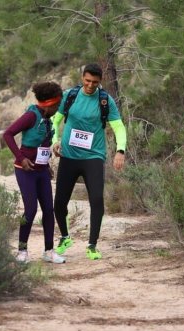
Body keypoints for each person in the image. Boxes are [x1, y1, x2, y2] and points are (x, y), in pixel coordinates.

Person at [51, 64, 127, 260]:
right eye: (87, 81)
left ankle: (92, 245)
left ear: (100, 81)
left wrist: (120, 150)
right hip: (68, 155)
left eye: (95, 82)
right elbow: (55, 120)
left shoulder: (105, 101)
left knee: (96, 200)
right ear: (82, 78)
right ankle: (65, 237)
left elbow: (118, 126)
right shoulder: (70, 95)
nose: (90, 85)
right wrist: (54, 141)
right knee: (59, 202)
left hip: (93, 156)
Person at [3, 81, 66, 264]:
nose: (59, 107)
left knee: (48, 209)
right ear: (49, 104)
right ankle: (22, 252)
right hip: (25, 170)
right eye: (57, 104)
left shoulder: (48, 118)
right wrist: (21, 157)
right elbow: (8, 134)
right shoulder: (31, 116)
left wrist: (48, 163)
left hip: (41, 171)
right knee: (30, 209)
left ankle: (48, 251)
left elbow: (43, 145)